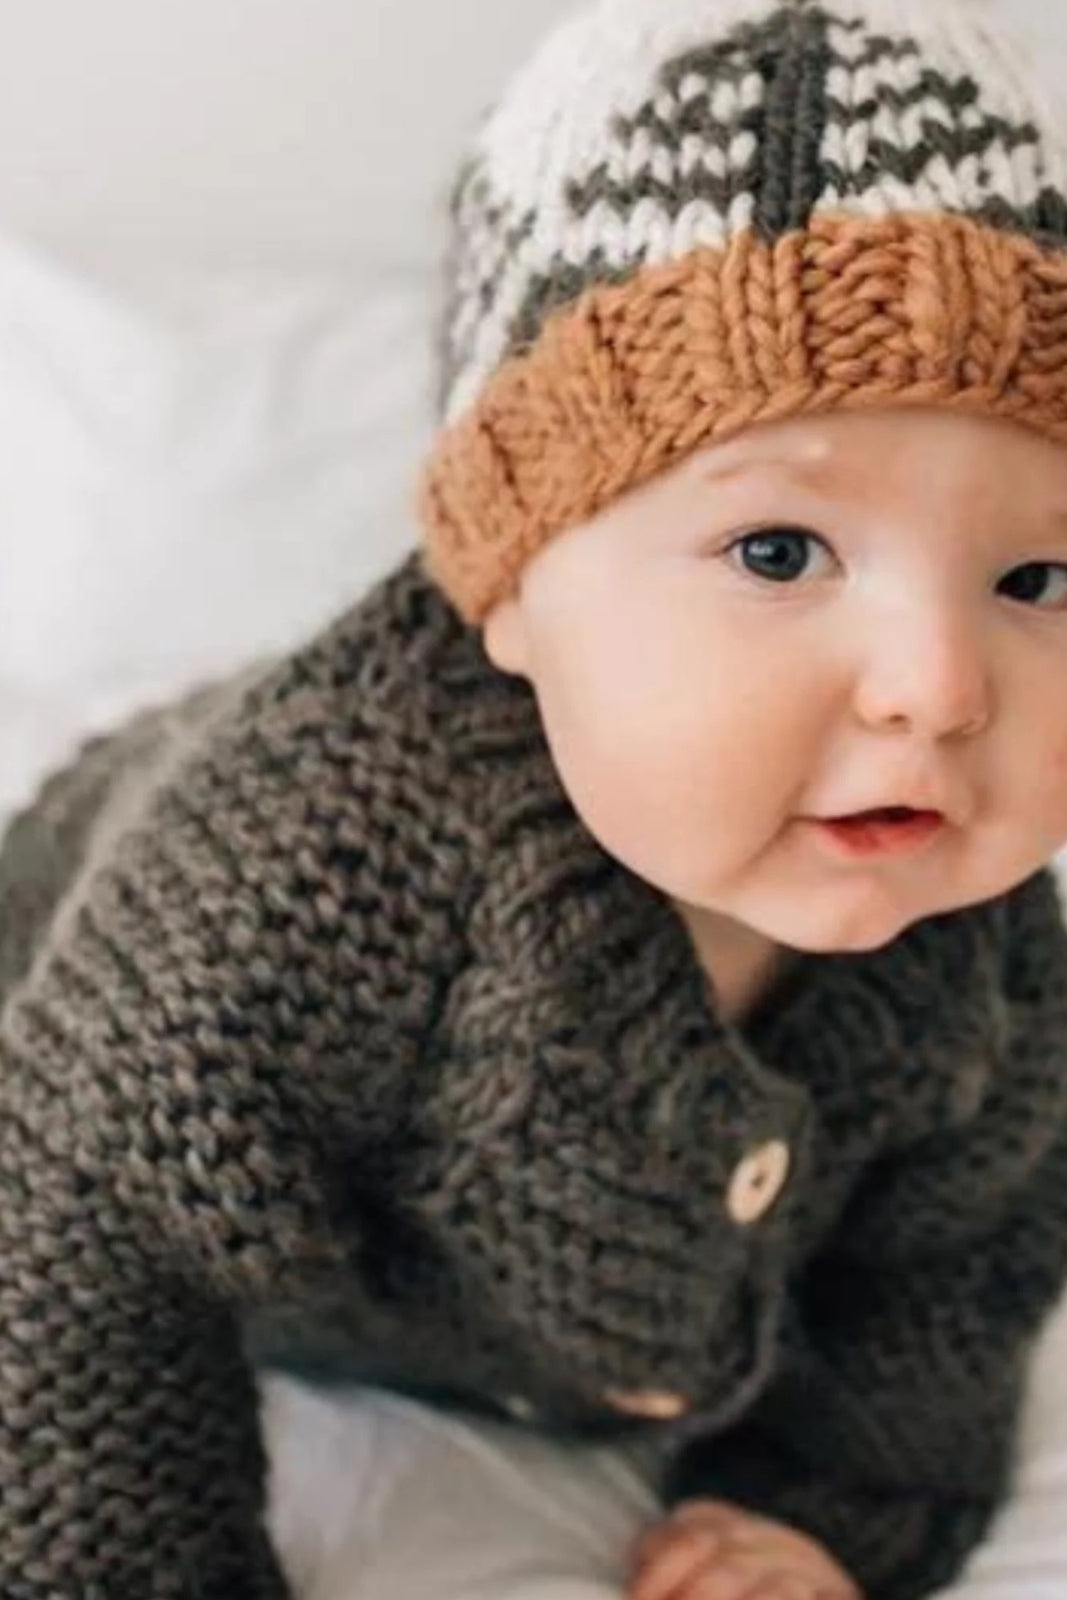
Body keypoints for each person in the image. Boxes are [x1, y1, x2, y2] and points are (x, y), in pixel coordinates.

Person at [4, 0, 1067, 1596]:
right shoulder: (310, 863)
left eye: (1038, 573)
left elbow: (962, 1249)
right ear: (508, 590)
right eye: (778, 552)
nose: (940, 682)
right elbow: (79, 1221)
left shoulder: (983, 929)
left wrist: (827, 1504)